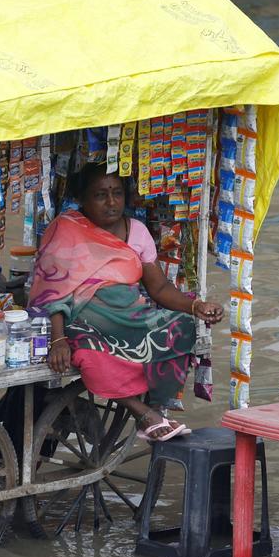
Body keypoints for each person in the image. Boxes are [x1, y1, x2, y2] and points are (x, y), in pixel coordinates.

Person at [28, 162, 224, 441]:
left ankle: (156, 408)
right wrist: (58, 340)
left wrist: (196, 306)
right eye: (100, 195)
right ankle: (141, 411)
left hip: (129, 317)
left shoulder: (137, 232)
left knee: (181, 327)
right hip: (81, 320)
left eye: (117, 193)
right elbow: (53, 292)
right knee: (90, 353)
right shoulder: (66, 229)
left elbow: (158, 287)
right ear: (83, 199)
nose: (111, 203)